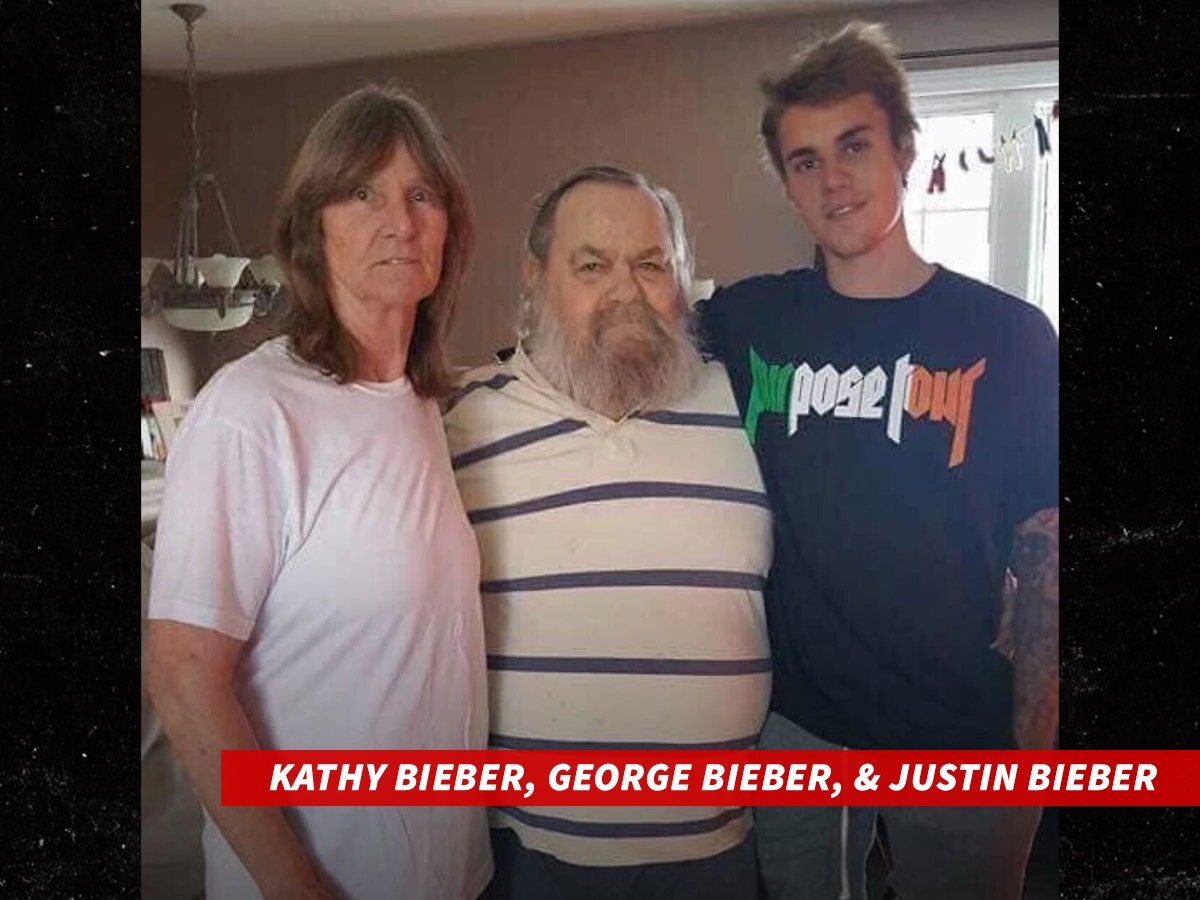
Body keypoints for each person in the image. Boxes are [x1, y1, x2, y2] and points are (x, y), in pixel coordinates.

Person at [697, 22, 1059, 900]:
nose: (834, 180)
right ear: (786, 183)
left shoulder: (1008, 336)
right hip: (796, 727)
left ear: (902, 147)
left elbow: (1044, 548)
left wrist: (1036, 759)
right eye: (806, 161)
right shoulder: (748, 324)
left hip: (959, 730)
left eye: (853, 146)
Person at [146, 84, 492, 900]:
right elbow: (184, 677)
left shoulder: (423, 405)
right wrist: (296, 887)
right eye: (363, 192)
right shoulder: (251, 410)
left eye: (421, 195)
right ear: (313, 228)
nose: (399, 222)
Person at [444, 165, 773, 900]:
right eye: (591, 265)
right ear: (535, 279)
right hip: (533, 857)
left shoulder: (745, 406)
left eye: (651, 265)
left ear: (683, 282)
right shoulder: (454, 422)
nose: (626, 291)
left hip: (718, 852)